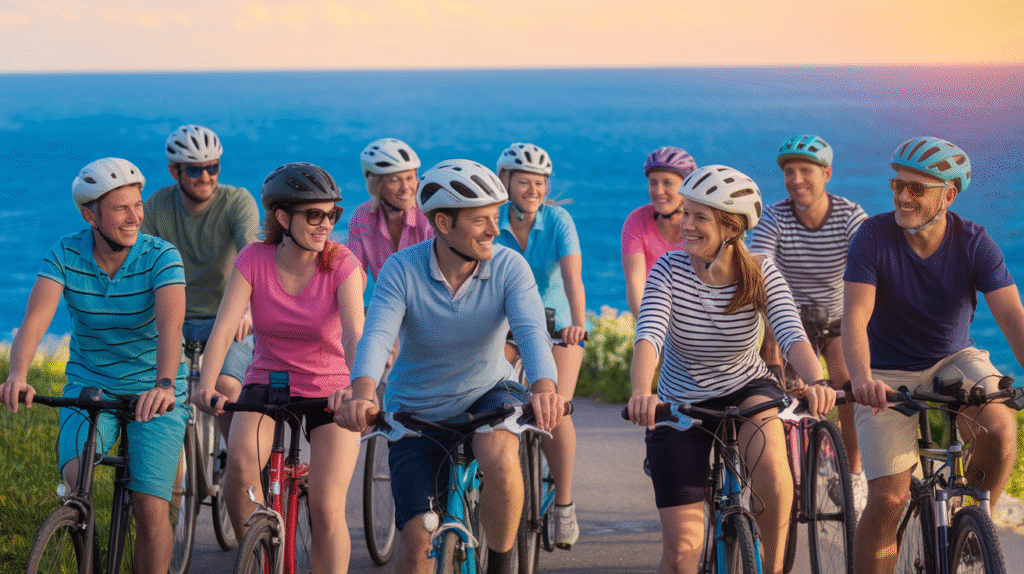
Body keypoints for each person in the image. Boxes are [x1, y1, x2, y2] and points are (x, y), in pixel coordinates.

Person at [331, 159, 565, 574]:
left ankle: (501, 563)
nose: (495, 229)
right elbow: (378, 335)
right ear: (442, 222)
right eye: (481, 221)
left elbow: (531, 333)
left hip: (489, 390)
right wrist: (363, 394)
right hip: (416, 407)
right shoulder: (402, 269)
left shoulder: (510, 267)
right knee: (416, 544)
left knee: (498, 453)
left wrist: (545, 387)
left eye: (496, 216)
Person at [626, 164, 836, 574]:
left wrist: (817, 380)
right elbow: (649, 336)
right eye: (685, 213)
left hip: (746, 386)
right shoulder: (668, 272)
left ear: (731, 228)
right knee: (682, 553)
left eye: (698, 217)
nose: (685, 224)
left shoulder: (760, 272)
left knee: (774, 475)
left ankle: (772, 568)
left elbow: (791, 335)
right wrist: (641, 392)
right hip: (680, 402)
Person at [844, 136, 1024, 574]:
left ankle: (970, 526)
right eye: (897, 185)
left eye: (917, 188)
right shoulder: (872, 236)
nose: (903, 196)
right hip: (885, 372)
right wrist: (862, 377)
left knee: (1000, 429)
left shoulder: (973, 241)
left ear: (949, 194)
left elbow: (1013, 318)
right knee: (888, 498)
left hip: (953, 359)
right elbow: (855, 317)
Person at [0, 158, 188, 574]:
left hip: (154, 385)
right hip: (91, 384)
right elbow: (34, 322)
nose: (135, 216)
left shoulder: (161, 256)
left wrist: (163, 384)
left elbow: (171, 328)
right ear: (90, 215)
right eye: (122, 208)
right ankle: (83, 540)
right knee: (75, 480)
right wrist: (18, 374)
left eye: (137, 205)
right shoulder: (66, 254)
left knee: (150, 508)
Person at [194, 162, 364, 573]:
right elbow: (222, 330)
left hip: (330, 387)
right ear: (284, 218)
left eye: (332, 214)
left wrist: (360, 393)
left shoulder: (342, 263)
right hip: (268, 381)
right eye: (315, 215)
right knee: (239, 465)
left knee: (325, 507)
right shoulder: (254, 259)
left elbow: (354, 335)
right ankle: (254, 552)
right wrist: (206, 383)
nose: (325, 224)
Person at [750, 134, 868, 511]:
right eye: (789, 172)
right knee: (778, 383)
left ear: (827, 174)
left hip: (836, 319)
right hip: (789, 322)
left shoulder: (850, 215)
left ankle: (854, 473)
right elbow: (759, 264)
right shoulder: (775, 215)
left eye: (806, 171)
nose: (796, 179)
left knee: (848, 386)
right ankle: (778, 463)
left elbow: (870, 261)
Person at [494, 142, 587, 548]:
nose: (533, 190)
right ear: (505, 181)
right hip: (505, 327)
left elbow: (572, 278)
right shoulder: (489, 219)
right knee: (487, 395)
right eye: (525, 182)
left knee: (558, 408)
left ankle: (563, 506)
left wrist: (579, 324)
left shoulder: (558, 220)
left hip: (556, 328)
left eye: (540, 183)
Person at [143, 124, 259, 442]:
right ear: (174, 171)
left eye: (212, 167)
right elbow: (144, 268)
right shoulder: (156, 206)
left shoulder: (237, 202)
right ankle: (174, 487)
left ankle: (234, 464)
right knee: (163, 393)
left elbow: (252, 258)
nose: (206, 177)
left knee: (227, 386)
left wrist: (247, 311)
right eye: (195, 169)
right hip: (172, 320)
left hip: (227, 317)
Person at [621, 146, 697, 320]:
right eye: (653, 182)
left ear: (688, 186)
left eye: (667, 183)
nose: (658, 191)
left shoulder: (704, 225)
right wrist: (650, 334)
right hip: (655, 323)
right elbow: (635, 287)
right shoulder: (637, 221)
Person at [347, 137, 433, 282]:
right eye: (395, 180)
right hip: (388, 302)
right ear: (376, 185)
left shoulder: (429, 213)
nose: (406, 188)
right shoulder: (362, 216)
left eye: (410, 178)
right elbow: (354, 275)